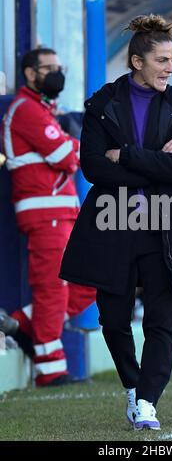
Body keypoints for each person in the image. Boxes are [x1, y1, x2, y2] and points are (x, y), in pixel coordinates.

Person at [59, 14, 172, 430]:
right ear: (137, 61)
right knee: (113, 318)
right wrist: (154, 162)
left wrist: (129, 155)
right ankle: (133, 386)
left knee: (162, 319)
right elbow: (92, 169)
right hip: (111, 222)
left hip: (167, 221)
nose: (170, 68)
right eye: (162, 60)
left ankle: (147, 402)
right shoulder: (102, 105)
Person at [0, 48, 96, 386]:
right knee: (53, 289)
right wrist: (75, 151)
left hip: (63, 212)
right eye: (48, 68)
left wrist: (75, 152)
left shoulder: (43, 111)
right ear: (29, 73)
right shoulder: (25, 109)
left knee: (90, 282)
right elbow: (64, 156)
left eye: (59, 67)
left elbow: (73, 155)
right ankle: (50, 369)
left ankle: (17, 323)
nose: (56, 73)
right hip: (44, 214)